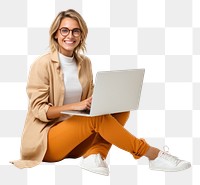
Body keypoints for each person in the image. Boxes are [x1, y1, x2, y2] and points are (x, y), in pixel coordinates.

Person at [11, 9, 191, 175]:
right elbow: (39, 110)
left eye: (76, 31)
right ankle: (153, 155)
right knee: (97, 119)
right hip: (46, 144)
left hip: (77, 143)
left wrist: (105, 98)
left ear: (81, 35)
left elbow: (90, 97)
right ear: (56, 34)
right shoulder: (41, 65)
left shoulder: (85, 63)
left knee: (121, 109)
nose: (70, 35)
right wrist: (78, 105)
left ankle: (94, 155)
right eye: (64, 30)